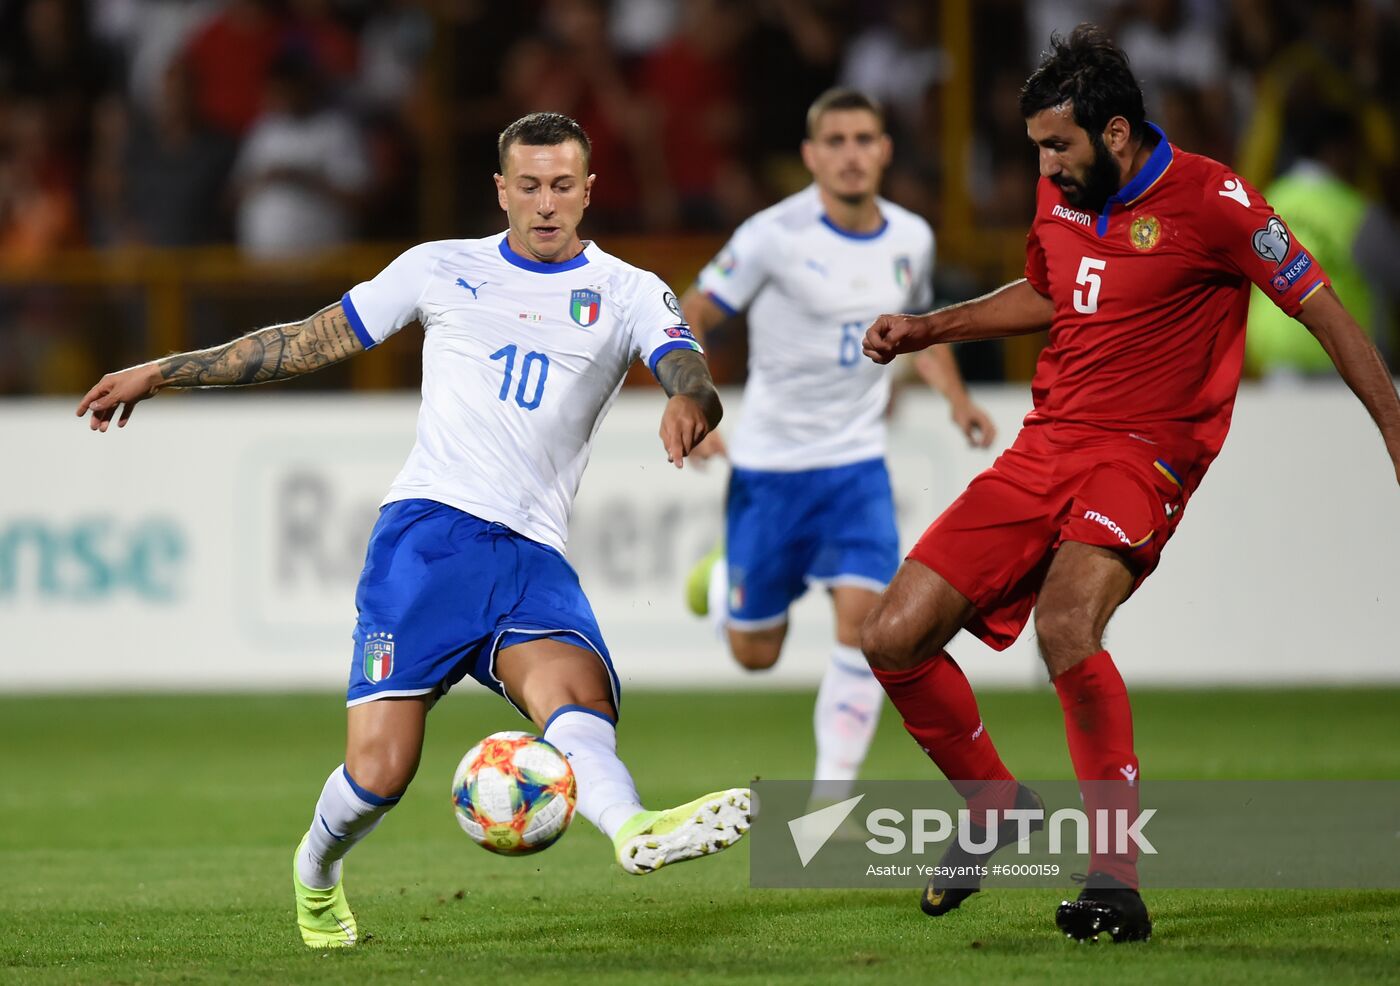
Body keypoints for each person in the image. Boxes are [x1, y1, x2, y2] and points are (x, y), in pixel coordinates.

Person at [76, 112, 752, 950]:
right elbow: (303, 342)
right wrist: (162, 372)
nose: (547, 205)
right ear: (501, 190)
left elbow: (685, 362)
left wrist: (690, 398)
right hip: (427, 544)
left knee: (577, 702)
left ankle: (631, 828)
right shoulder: (441, 269)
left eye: (563, 186)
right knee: (379, 775)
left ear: (588, 190)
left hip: (530, 557)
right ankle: (317, 874)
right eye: (530, 187)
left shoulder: (627, 290)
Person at [858, 26, 1400, 943]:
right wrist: (930, 328)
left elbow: (1323, 313)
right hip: (1046, 443)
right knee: (892, 635)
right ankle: (995, 806)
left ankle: (1115, 877)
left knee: (1065, 626)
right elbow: (1050, 291)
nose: (1045, 166)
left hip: (1145, 452)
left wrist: (1392, 424)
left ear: (1115, 134)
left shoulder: (1218, 201)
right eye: (1037, 148)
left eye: (1057, 147)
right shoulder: (1061, 185)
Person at [679, 88, 996, 807]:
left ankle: (831, 798)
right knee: (755, 655)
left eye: (865, 139)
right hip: (771, 471)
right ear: (811, 156)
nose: (851, 154)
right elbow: (693, 310)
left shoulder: (911, 237)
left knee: (870, 629)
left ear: (885, 150)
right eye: (837, 141)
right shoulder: (771, 235)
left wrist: (956, 399)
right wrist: (691, 395)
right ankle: (730, 568)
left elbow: (919, 332)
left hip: (856, 468)